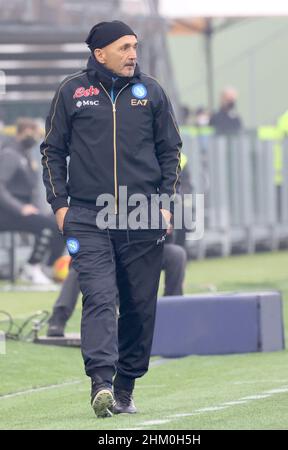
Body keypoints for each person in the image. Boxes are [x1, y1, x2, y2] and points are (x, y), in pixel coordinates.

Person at [40, 20, 182, 418]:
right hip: (86, 216)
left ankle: (124, 386)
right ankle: (101, 382)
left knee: (138, 306)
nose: (133, 54)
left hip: (142, 217)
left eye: (135, 46)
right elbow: (52, 149)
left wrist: (166, 204)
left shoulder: (152, 91)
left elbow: (171, 150)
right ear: (99, 53)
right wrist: (60, 205)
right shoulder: (72, 92)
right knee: (100, 298)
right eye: (124, 47)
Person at [47, 241, 187, 337]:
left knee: (176, 254)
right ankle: (58, 319)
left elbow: (166, 238)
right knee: (81, 261)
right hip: (106, 255)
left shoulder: (157, 203)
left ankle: (172, 319)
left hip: (140, 256)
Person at [0, 118, 65, 284]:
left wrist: (39, 209)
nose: (35, 137)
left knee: (58, 222)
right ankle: (31, 266)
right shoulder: (10, 154)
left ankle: (49, 267)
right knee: (47, 225)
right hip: (7, 213)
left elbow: (33, 189)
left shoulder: (26, 155)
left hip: (23, 210)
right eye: (32, 133)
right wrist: (20, 208)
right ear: (22, 132)